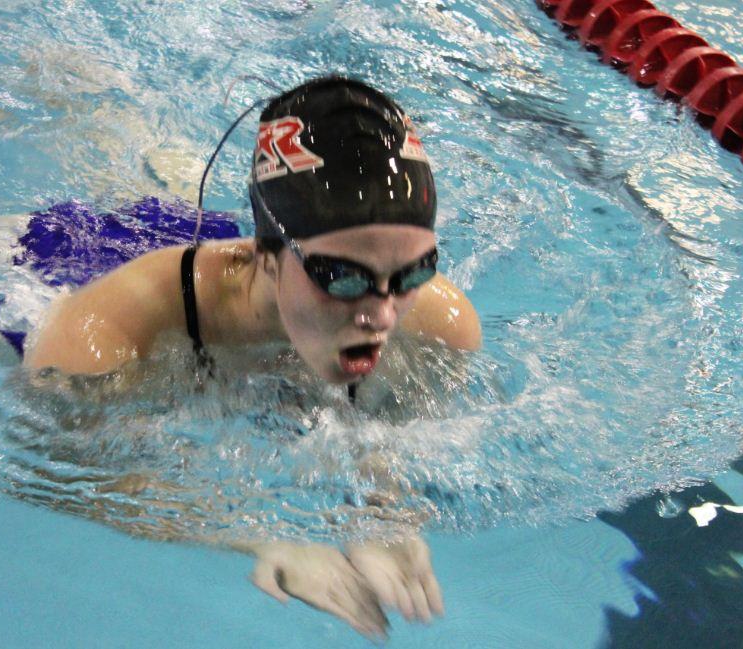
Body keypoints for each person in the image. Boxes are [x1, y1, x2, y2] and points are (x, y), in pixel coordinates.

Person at [24, 76, 481, 639]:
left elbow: (386, 436)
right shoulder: (105, 331)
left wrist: (382, 512)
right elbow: (66, 468)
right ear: (264, 255)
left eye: (414, 271)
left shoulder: (441, 330)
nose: (382, 315)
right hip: (61, 266)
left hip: (218, 251)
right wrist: (261, 537)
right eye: (341, 278)